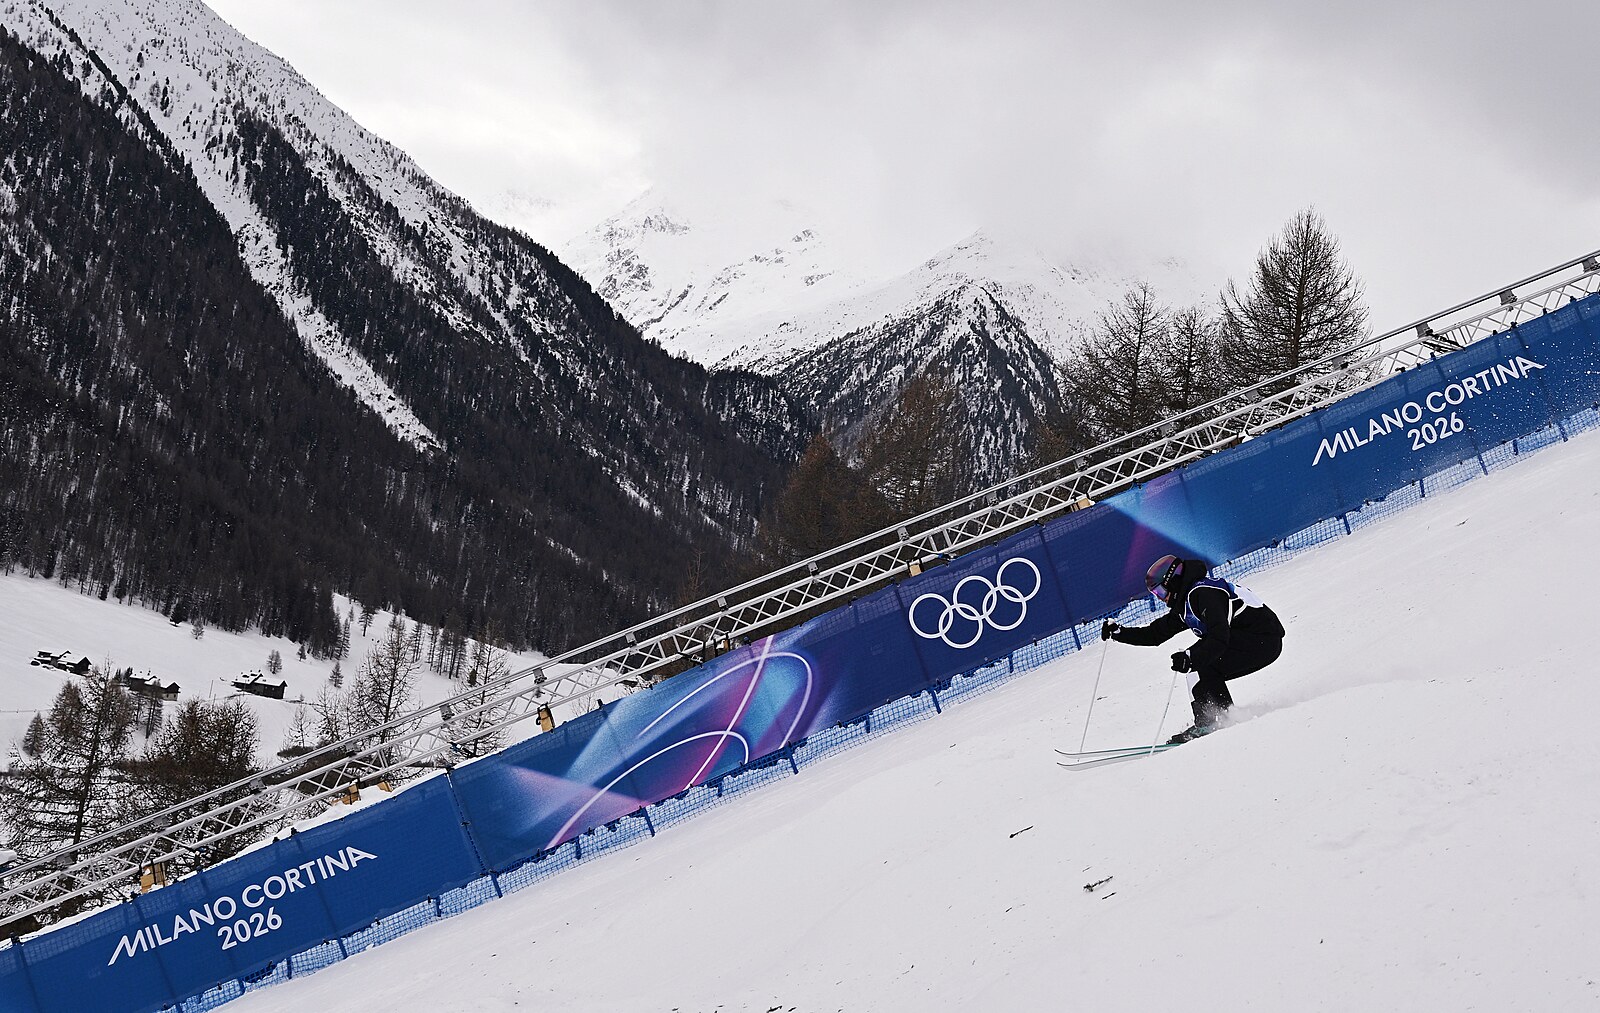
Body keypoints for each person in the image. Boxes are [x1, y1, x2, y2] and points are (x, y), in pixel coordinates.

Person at [1100, 555, 1286, 743]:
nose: (1162, 599)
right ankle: (1212, 719)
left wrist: (1191, 658)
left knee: (1201, 661)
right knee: (1196, 666)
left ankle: (1220, 720)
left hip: (1264, 640)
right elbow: (1155, 634)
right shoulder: (1186, 603)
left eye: (1161, 592)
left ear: (1172, 582)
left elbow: (1219, 637)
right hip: (1249, 641)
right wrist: (1119, 633)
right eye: (1157, 595)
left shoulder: (1205, 594)